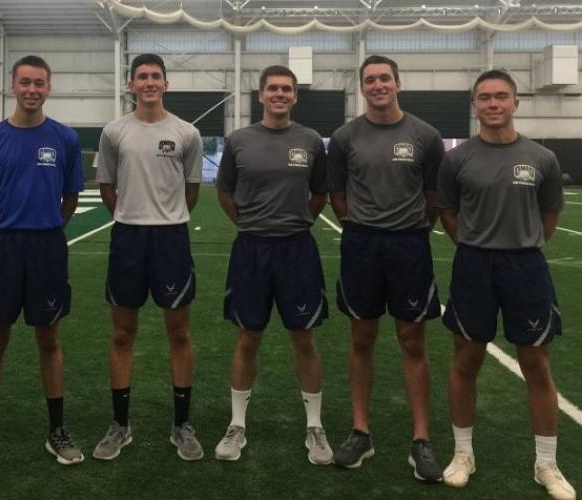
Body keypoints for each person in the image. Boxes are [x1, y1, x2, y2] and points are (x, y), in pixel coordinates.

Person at [438, 69, 576, 500]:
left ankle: (546, 464)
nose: (493, 104)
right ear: (474, 106)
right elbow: (448, 213)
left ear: (516, 102)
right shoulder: (456, 160)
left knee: (536, 364)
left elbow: (549, 216)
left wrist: (520, 245)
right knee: (466, 361)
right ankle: (463, 454)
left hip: (526, 268)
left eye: (501, 96)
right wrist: (479, 246)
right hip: (473, 265)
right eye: (485, 98)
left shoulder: (542, 159)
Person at [0, 55, 84, 474]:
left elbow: (70, 199)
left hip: (47, 247)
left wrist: (42, 229)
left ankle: (57, 430)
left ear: (49, 87)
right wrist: (9, 229)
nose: (31, 89)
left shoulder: (64, 138)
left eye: (39, 83)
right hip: (2, 248)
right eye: (25, 82)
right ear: (13, 85)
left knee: (49, 339)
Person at [326, 55, 444, 482]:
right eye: (370, 80)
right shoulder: (343, 137)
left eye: (384, 79)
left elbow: (433, 195)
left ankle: (421, 440)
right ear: (362, 87)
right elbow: (337, 195)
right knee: (362, 337)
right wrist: (362, 227)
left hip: (410, 246)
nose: (378, 85)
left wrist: (410, 229)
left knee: (412, 339)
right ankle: (361, 432)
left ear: (398, 83)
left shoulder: (425, 136)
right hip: (361, 246)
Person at [212, 65, 331, 464]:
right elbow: (225, 191)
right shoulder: (239, 140)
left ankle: (315, 427)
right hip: (251, 251)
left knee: (304, 338)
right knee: (248, 337)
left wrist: (296, 224)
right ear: (260, 95)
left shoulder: (311, 140)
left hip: (297, 250)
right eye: (273, 88)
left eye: (287, 89)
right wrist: (249, 224)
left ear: (295, 96)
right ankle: (237, 426)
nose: (280, 94)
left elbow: (320, 194)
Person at [92, 53, 204, 461]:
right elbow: (108, 186)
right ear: (131, 85)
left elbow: (191, 191)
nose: (150, 82)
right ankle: (120, 426)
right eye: (142, 76)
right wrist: (131, 216)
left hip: (171, 240)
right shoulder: (113, 132)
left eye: (156, 76)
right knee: (122, 334)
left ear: (166, 84)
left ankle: (182, 425)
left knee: (179, 333)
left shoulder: (187, 132)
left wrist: (166, 216)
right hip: (128, 240)